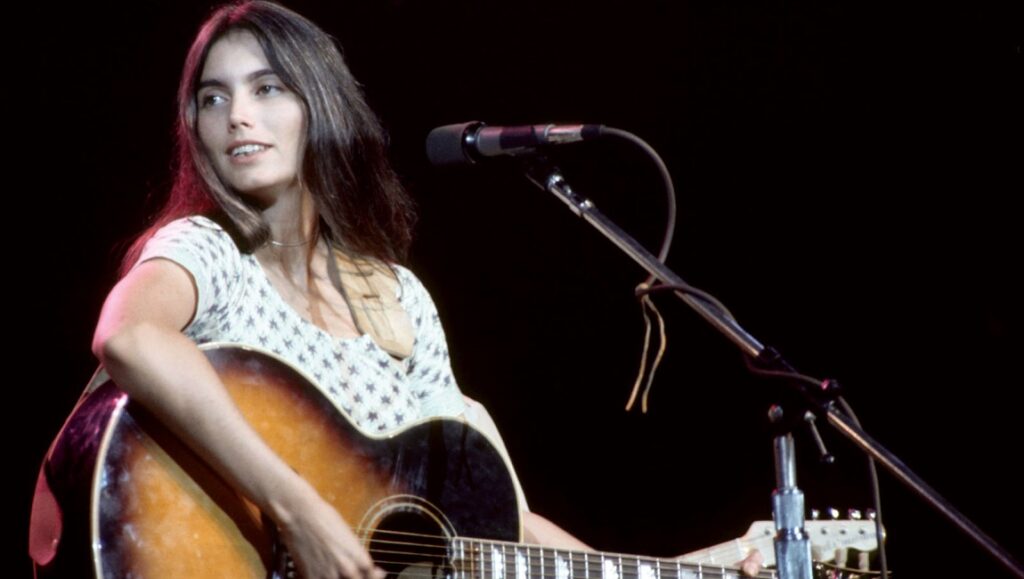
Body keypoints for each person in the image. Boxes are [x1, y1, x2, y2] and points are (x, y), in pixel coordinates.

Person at [87, 2, 761, 578]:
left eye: (267, 89)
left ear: (318, 105)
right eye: (213, 97)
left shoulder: (396, 297)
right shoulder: (207, 252)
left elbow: (502, 520)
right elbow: (130, 334)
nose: (237, 115)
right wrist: (296, 509)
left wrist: (683, 567)